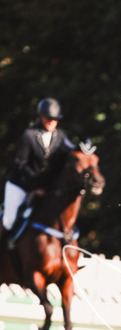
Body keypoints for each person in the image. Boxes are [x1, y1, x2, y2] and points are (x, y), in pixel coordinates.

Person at [2, 98, 74, 241]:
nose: (52, 122)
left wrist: (83, 148)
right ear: (40, 117)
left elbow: (71, 151)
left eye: (55, 119)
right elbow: (20, 165)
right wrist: (36, 186)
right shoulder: (28, 135)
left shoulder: (60, 136)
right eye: (49, 118)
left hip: (44, 187)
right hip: (20, 183)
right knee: (9, 221)